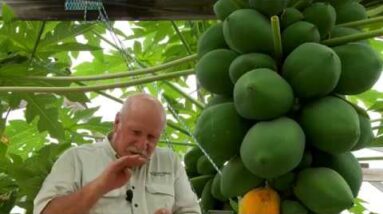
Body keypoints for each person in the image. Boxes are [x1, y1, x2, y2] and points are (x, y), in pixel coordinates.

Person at [33, 93, 201, 214]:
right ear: (117, 122)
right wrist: (100, 186)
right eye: (135, 132)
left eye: (152, 137)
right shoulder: (76, 159)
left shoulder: (169, 161)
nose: (143, 144)